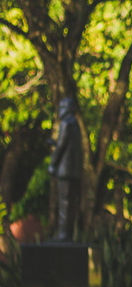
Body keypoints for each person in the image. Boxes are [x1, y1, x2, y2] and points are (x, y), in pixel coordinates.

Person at [48, 96, 83, 241]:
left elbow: (61, 147)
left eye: (62, 107)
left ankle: (64, 235)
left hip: (65, 170)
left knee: (65, 203)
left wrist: (53, 164)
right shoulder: (75, 125)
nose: (60, 111)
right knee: (68, 203)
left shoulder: (67, 123)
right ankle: (66, 234)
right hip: (73, 170)